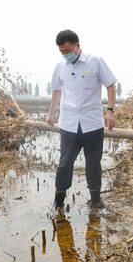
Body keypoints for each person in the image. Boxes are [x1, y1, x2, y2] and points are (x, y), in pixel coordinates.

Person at [47, 29, 117, 209]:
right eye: (62, 52)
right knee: (64, 163)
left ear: (78, 46)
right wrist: (51, 114)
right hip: (69, 123)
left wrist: (110, 110)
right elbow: (56, 90)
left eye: (68, 50)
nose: (65, 55)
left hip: (92, 123)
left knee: (93, 163)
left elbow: (110, 84)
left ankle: (95, 201)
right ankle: (58, 203)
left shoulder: (95, 61)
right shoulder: (60, 66)